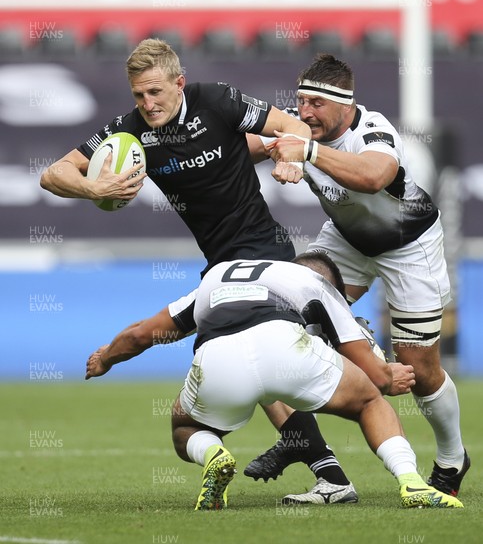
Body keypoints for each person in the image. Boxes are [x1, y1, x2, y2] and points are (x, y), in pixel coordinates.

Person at [40, 38, 359, 503]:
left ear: (179, 83)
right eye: (138, 95)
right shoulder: (131, 134)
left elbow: (290, 125)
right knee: (264, 373)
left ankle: (323, 449)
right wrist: (95, 186)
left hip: (261, 254)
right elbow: (52, 174)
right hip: (219, 266)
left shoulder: (217, 100)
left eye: (155, 92)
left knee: (234, 375)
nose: (147, 104)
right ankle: (323, 464)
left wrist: (290, 156)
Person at [245, 53, 469, 503]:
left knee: (421, 373)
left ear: (346, 104)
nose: (304, 113)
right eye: (300, 101)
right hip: (346, 240)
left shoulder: (374, 130)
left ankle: (451, 457)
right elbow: (237, 149)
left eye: (315, 104)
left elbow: (373, 176)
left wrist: (304, 151)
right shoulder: (297, 128)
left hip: (410, 245)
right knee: (275, 320)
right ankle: (313, 455)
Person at [95, 252, 461, 510]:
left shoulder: (218, 274)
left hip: (218, 358)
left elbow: (142, 334)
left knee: (184, 428)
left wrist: (106, 358)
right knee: (369, 403)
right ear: (329, 280)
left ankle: (213, 454)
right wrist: (388, 376)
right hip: (284, 346)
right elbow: (375, 373)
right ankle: (411, 482)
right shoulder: (316, 283)